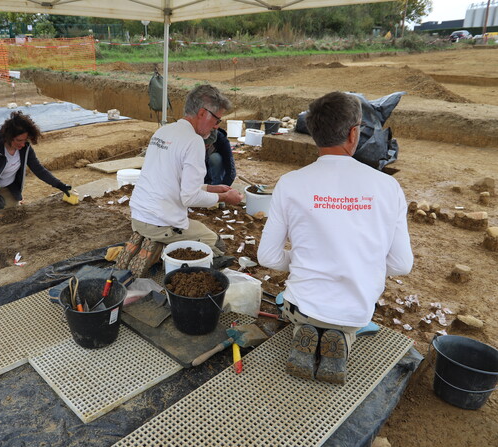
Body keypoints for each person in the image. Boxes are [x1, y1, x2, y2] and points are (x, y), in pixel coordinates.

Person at [257, 91, 413, 385]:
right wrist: (361, 261)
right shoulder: (388, 187)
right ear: (354, 133)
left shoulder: (290, 183)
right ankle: (340, 340)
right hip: (355, 311)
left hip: (301, 305)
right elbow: (402, 264)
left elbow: (267, 257)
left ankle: (304, 333)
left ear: (314, 132)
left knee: (300, 309)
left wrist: (302, 258)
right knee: (347, 326)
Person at [116, 84, 244, 276]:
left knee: (190, 228)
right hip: (159, 222)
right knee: (215, 243)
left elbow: (171, 180)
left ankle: (150, 240)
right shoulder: (193, 141)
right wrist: (225, 198)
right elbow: (190, 198)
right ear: (202, 113)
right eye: (217, 119)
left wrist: (212, 188)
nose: (217, 126)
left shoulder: (164, 131)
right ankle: (160, 249)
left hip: (138, 215)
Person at [0, 111, 72, 214]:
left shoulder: (25, 148)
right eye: (19, 140)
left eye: (25, 140)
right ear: (8, 136)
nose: (23, 144)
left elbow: (38, 169)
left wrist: (59, 185)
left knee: (13, 217)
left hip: (9, 187)